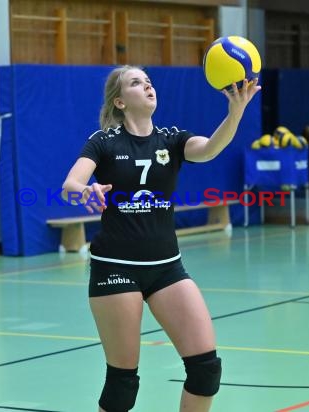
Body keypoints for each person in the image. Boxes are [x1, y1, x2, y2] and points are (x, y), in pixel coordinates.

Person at [61, 65, 260, 412]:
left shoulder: (171, 139)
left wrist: (236, 112)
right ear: (120, 101)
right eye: (136, 83)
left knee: (206, 369)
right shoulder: (104, 142)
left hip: (167, 268)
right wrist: (85, 192)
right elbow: (70, 186)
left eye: (148, 81)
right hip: (116, 268)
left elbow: (210, 148)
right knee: (123, 382)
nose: (147, 85)